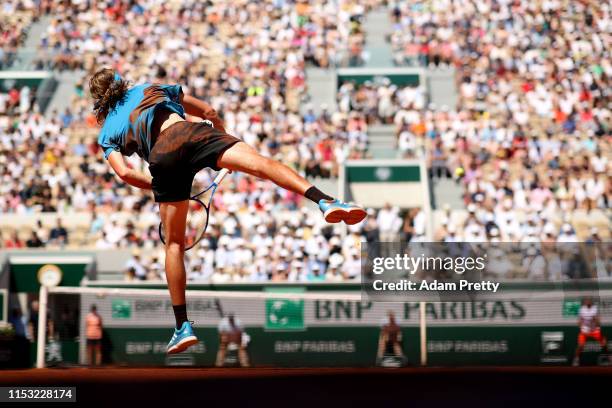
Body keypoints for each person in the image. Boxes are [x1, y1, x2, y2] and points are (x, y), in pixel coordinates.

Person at [89, 68, 366, 354]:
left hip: (162, 159)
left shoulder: (108, 131)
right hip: (192, 133)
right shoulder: (148, 88)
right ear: (122, 82)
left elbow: (125, 174)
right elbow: (208, 110)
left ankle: (182, 326)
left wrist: (159, 185)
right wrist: (223, 138)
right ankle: (326, 201)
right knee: (262, 165)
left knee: (173, 245)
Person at [573, 297, 608, 366]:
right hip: (584, 331)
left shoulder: (595, 309)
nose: (588, 301)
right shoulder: (582, 309)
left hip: (594, 330)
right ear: (585, 302)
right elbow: (579, 320)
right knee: (580, 345)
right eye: (587, 300)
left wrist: (596, 321)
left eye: (589, 300)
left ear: (591, 302)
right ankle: (576, 359)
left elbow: (598, 321)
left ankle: (609, 357)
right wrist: (580, 325)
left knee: (604, 344)